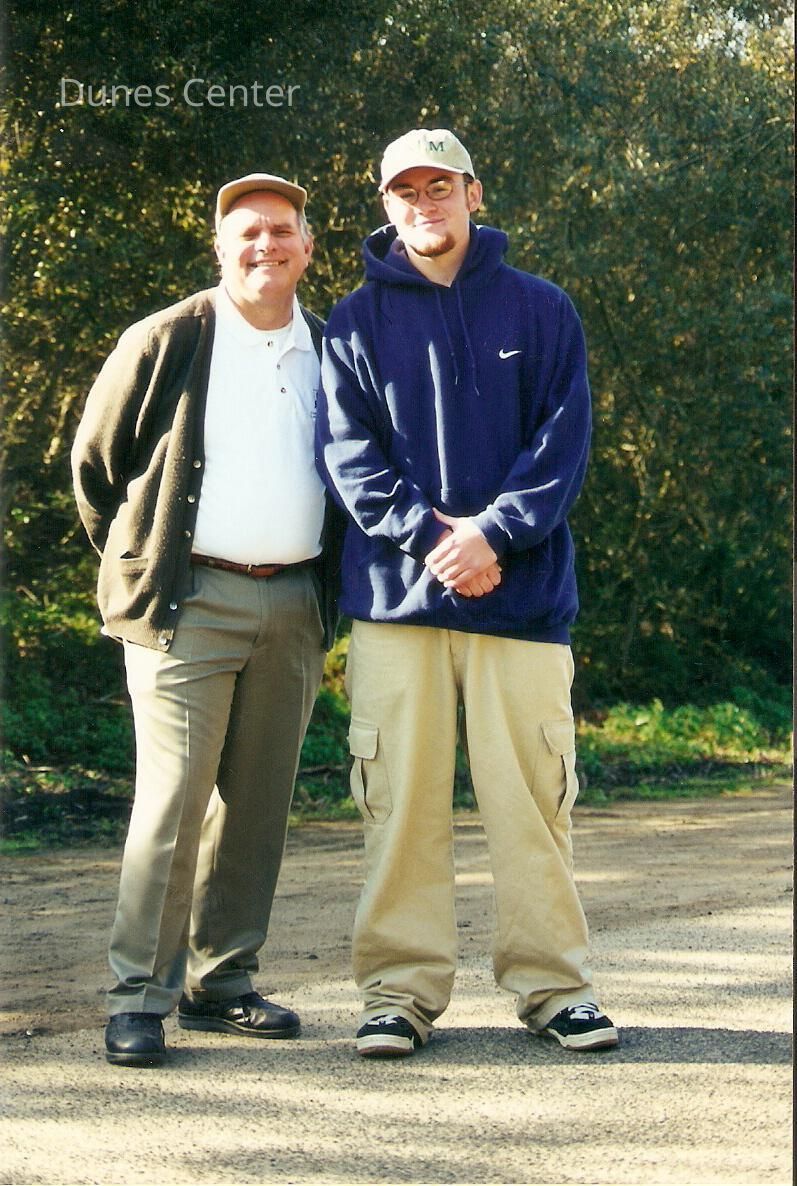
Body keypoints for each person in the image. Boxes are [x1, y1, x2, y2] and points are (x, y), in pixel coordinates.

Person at [316, 129, 618, 1057]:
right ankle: (397, 995)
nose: (424, 204)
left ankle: (554, 988)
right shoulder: (351, 323)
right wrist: (434, 540)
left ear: (473, 193)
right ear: (386, 206)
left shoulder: (542, 308)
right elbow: (348, 459)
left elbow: (561, 446)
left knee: (532, 806)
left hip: (521, 605)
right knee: (398, 807)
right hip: (396, 608)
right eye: (405, 191)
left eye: (439, 187)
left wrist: (491, 536)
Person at [72, 172, 341, 1067]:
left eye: (281, 230)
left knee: (257, 806)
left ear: (308, 246)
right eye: (247, 232)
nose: (265, 245)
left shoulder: (332, 347)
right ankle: (138, 999)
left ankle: (221, 983)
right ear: (219, 247)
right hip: (186, 602)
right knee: (173, 802)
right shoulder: (167, 338)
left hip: (294, 602)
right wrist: (144, 562)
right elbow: (96, 467)